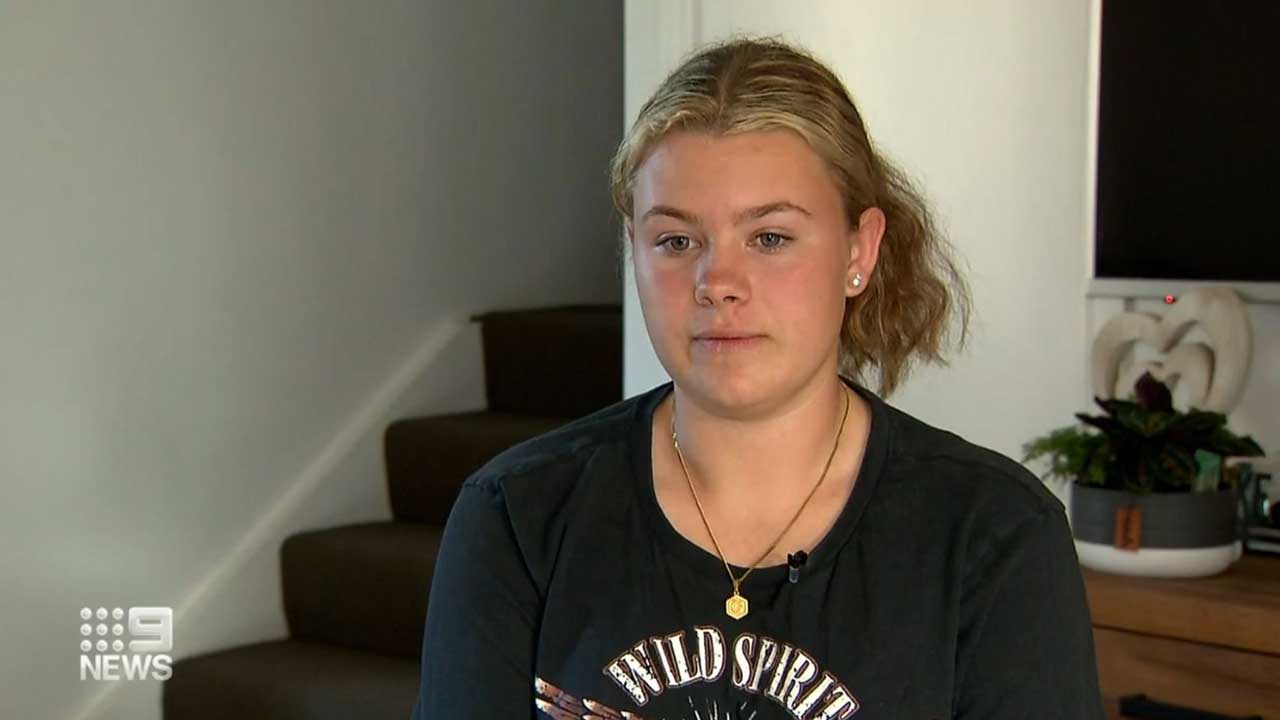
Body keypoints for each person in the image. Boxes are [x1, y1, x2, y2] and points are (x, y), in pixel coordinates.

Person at [412, 36, 1104, 719]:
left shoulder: (995, 535)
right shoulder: (517, 517)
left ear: (859, 251)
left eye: (770, 238)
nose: (717, 282)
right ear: (634, 251)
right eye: (676, 241)